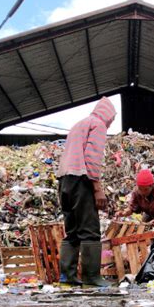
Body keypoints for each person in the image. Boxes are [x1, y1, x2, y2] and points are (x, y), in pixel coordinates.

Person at [57, 97, 116, 286]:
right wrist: (97, 189)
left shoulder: (78, 125)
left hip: (64, 180)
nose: (111, 122)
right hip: (81, 180)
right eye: (112, 118)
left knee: (72, 231)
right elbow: (91, 158)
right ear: (107, 114)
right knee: (90, 230)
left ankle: (67, 277)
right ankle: (91, 277)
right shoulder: (98, 125)